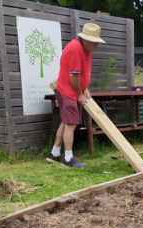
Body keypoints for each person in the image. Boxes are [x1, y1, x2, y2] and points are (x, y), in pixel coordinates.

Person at [47, 23, 105, 168]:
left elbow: (82, 73)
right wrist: (79, 94)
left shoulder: (86, 50)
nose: (97, 46)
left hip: (72, 89)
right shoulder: (75, 49)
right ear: (86, 40)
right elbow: (73, 76)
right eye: (95, 43)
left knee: (66, 122)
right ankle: (68, 158)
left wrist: (85, 88)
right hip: (67, 90)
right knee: (71, 124)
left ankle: (54, 154)